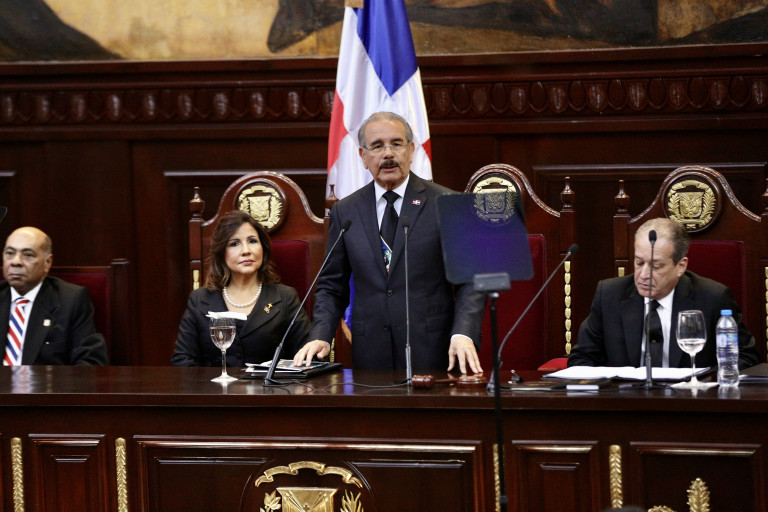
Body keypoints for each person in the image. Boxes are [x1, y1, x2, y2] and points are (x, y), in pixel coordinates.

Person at [293, 111, 486, 373]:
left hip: (433, 349)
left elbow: (470, 281)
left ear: (411, 150)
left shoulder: (446, 203)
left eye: (396, 143)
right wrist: (320, 335)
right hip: (371, 352)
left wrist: (463, 333)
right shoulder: (346, 211)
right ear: (363, 156)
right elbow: (331, 285)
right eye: (377, 146)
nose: (387, 153)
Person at [569, 217, 760, 369]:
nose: (644, 274)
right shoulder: (610, 295)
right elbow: (582, 359)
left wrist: (704, 384)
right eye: (639, 263)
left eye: (656, 266)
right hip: (627, 401)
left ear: (681, 266)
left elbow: (746, 358)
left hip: (691, 401)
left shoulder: (713, 298)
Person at [172, 210, 310, 367]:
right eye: (234, 244)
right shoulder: (200, 299)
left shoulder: (285, 297)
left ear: (263, 248)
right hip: (212, 383)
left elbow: (306, 358)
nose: (246, 251)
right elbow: (182, 361)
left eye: (252, 241)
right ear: (222, 253)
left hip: (269, 383)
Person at [1, 226, 108, 365]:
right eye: (10, 253)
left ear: (47, 262)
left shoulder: (70, 300)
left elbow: (91, 361)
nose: (15, 262)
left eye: (28, 255)